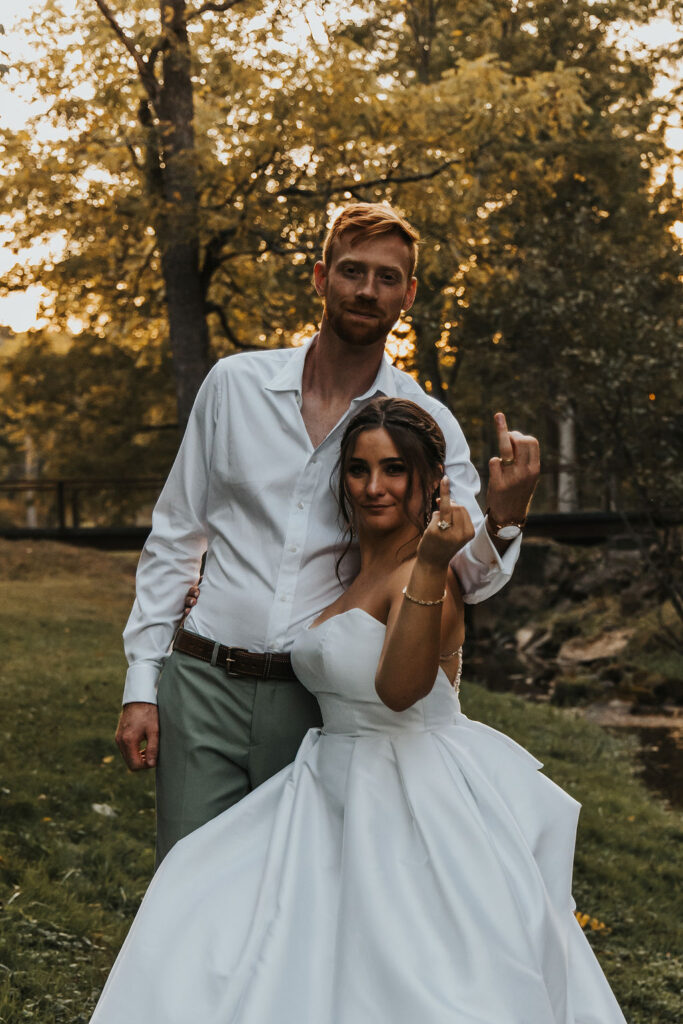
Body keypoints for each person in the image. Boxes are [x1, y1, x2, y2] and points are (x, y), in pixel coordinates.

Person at [90, 398, 626, 1024]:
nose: (374, 487)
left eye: (395, 470)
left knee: (402, 970)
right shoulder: (356, 568)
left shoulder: (426, 576)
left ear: (431, 481)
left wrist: (457, 547)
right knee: (215, 902)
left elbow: (400, 689)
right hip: (332, 774)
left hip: (408, 788)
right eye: (358, 470)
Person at [117, 202, 540, 864]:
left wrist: (506, 518)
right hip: (200, 683)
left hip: (315, 704)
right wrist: (142, 684)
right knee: (187, 888)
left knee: (294, 906)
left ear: (409, 293)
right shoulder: (234, 385)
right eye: (351, 271)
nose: (368, 290)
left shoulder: (424, 424)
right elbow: (175, 536)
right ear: (320, 278)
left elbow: (456, 577)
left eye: (387, 277)